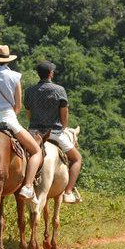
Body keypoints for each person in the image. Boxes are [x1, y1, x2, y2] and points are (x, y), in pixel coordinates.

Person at [0, 45, 43, 206]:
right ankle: (27, 186)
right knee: (36, 151)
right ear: (8, 60)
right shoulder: (15, 77)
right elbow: (18, 106)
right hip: (9, 118)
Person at [24, 60, 83, 204]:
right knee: (77, 159)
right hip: (54, 133)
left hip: (33, 133)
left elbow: (29, 114)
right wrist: (64, 127)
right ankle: (68, 192)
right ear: (51, 74)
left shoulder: (29, 91)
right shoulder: (59, 90)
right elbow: (64, 113)